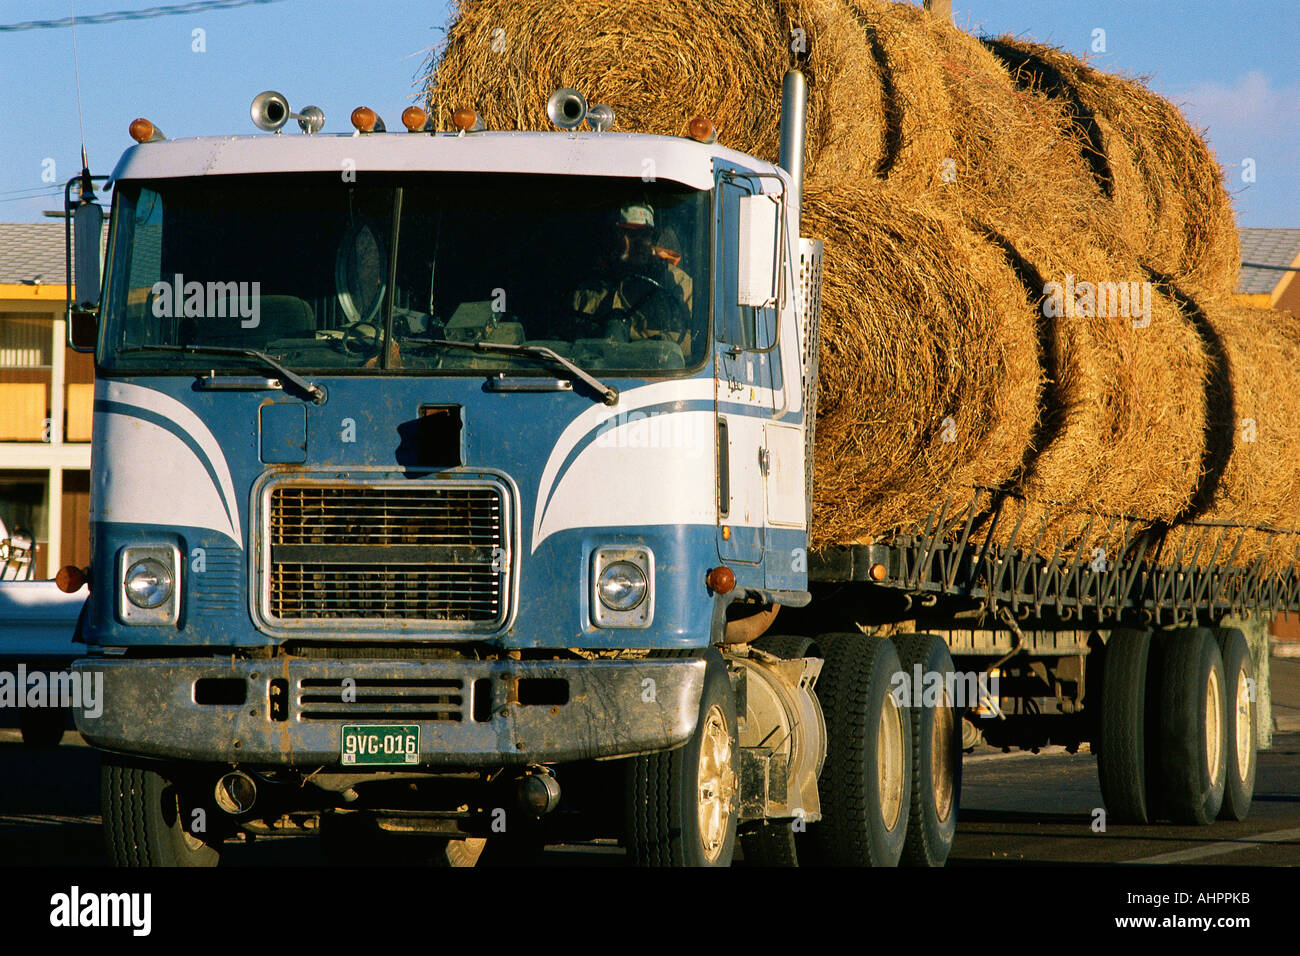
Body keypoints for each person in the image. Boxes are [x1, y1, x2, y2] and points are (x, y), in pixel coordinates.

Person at [569, 203, 695, 356]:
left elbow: (696, 342)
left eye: (647, 235)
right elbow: (570, 343)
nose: (642, 243)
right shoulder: (589, 290)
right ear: (614, 236)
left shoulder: (678, 284)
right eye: (632, 234)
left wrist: (657, 345)